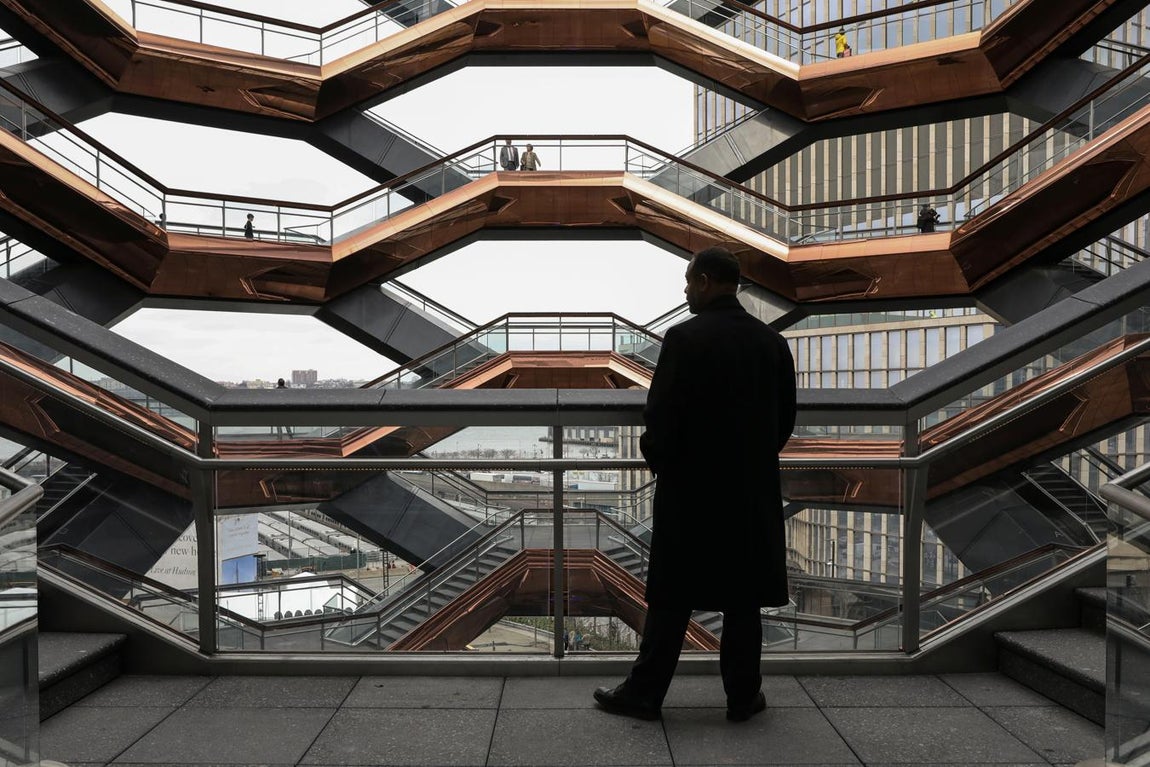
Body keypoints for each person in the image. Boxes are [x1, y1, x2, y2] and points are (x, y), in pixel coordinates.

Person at [593, 245, 797, 724]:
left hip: (692, 491)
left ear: (705, 280)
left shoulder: (684, 339)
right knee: (743, 601)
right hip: (750, 491)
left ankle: (644, 694)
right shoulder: (771, 343)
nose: (685, 292)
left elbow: (660, 417)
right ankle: (743, 698)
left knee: (672, 597)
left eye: (688, 283)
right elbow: (783, 420)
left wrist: (663, 465)